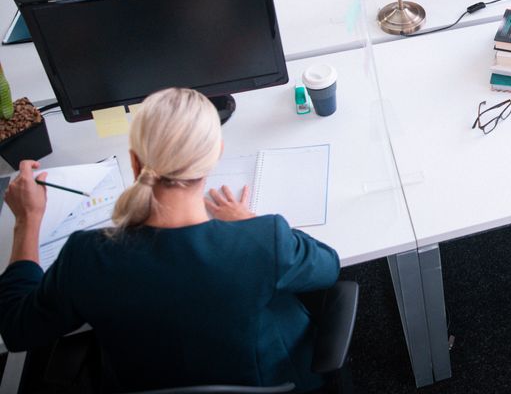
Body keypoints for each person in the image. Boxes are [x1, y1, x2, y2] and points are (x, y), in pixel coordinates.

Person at [0, 88, 340, 392]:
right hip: (269, 380)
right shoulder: (262, 241)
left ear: (135, 161)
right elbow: (328, 266)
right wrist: (246, 220)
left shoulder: (85, 257)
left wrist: (27, 221)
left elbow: (18, 329)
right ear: (215, 154)